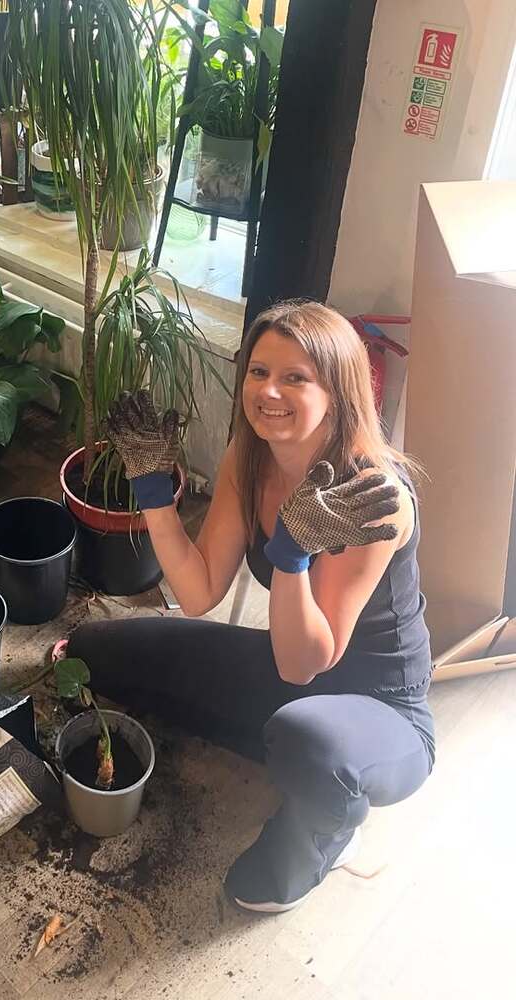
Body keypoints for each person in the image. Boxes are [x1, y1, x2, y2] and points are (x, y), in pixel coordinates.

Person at [65, 300, 434, 913]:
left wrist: (290, 559)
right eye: (259, 372)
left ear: (338, 390)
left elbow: (300, 665)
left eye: (296, 377)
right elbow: (199, 591)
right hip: (292, 673)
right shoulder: (250, 454)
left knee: (303, 741)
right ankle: (289, 757)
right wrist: (154, 491)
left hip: (380, 708)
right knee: (95, 652)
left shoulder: (374, 497)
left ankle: (330, 828)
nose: (269, 391)